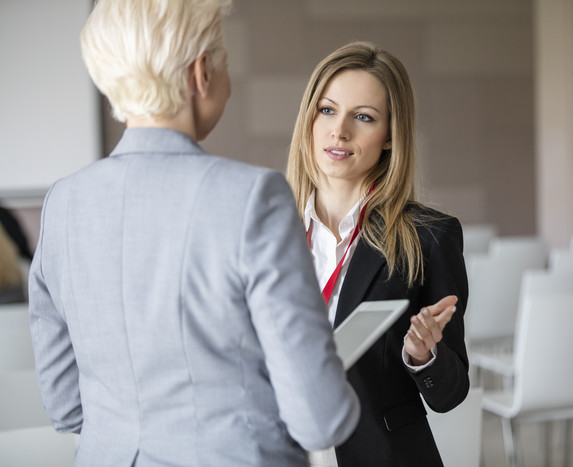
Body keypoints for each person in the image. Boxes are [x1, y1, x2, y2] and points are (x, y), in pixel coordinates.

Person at [28, 1, 359, 465]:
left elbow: (64, 405)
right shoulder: (253, 197)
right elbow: (319, 420)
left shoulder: (62, 203)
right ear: (202, 73)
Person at [287, 41, 470, 467]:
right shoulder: (263, 234)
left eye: (363, 117)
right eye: (328, 110)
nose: (339, 131)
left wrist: (423, 355)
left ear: (389, 136)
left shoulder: (428, 238)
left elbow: (450, 394)